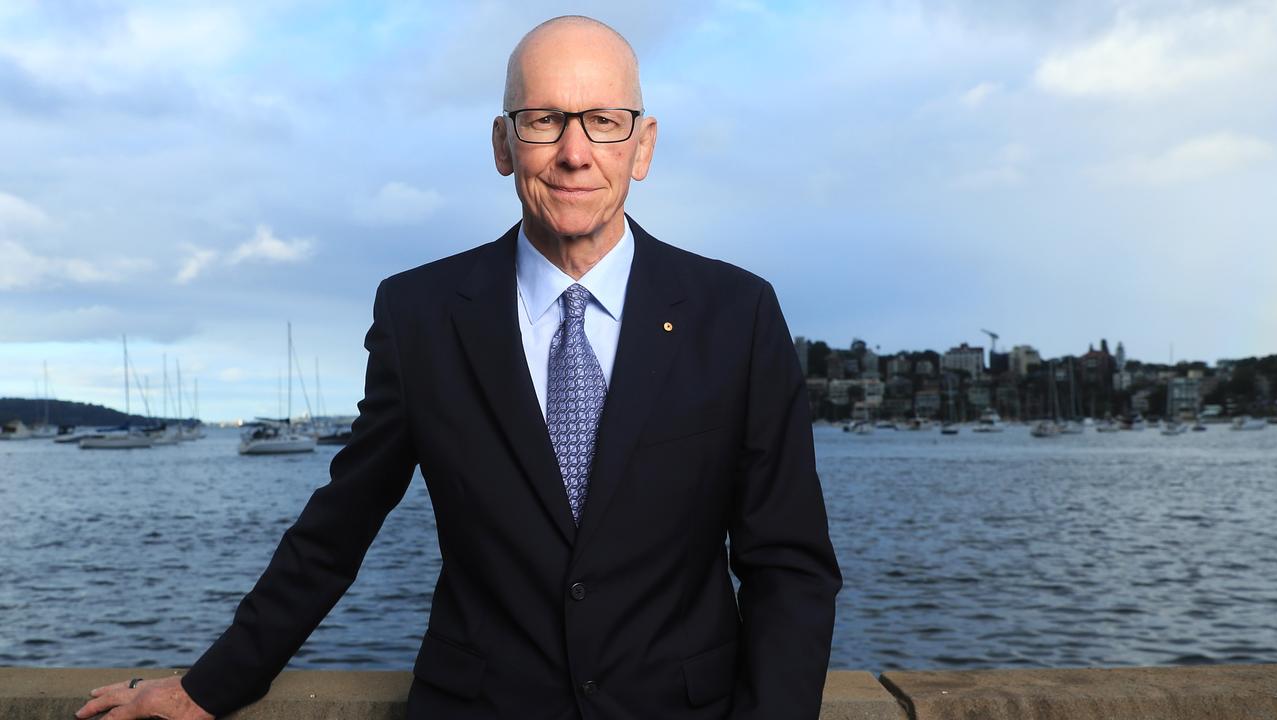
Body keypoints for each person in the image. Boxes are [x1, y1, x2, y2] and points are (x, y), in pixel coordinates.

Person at [77, 15, 841, 720]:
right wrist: (208, 688)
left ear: (641, 147)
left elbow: (789, 564)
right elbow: (338, 527)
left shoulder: (735, 314)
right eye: (544, 120)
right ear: (504, 144)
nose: (575, 152)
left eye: (604, 122)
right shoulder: (421, 316)